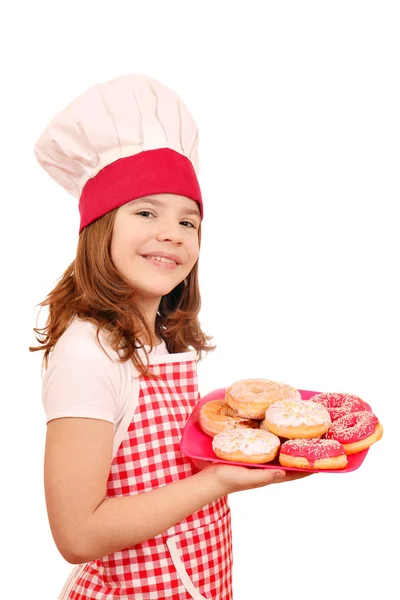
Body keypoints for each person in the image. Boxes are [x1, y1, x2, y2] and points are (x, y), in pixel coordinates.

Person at [31, 74, 309, 600]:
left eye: (189, 221)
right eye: (145, 212)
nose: (172, 233)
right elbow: (77, 533)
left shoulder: (157, 341)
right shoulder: (86, 354)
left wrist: (236, 452)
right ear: (99, 229)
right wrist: (216, 482)